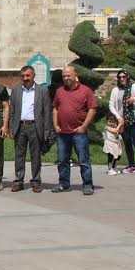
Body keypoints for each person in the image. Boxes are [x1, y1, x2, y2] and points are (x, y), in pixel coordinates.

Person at [52, 65, 98, 195]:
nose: (66, 78)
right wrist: (55, 124)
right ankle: (63, 183)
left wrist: (84, 126)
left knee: (83, 160)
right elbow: (55, 108)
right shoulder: (60, 91)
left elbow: (92, 108)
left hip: (79, 133)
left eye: (68, 75)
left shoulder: (86, 90)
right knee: (62, 160)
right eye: (64, 76)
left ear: (75, 75)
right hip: (62, 133)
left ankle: (88, 184)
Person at [8, 65, 53, 193]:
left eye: (28, 75)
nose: (25, 78)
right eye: (23, 76)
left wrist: (46, 131)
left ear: (33, 75)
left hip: (35, 127)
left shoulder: (42, 91)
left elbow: (47, 113)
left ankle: (36, 181)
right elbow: (12, 111)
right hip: (20, 127)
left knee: (36, 156)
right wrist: (12, 127)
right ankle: (18, 181)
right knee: (19, 155)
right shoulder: (16, 91)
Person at [109, 69, 135, 175]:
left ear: (127, 77)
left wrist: (134, 99)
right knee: (127, 143)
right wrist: (118, 117)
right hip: (122, 120)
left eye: (124, 77)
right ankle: (131, 165)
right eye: (120, 77)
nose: (122, 79)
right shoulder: (115, 90)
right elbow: (111, 105)